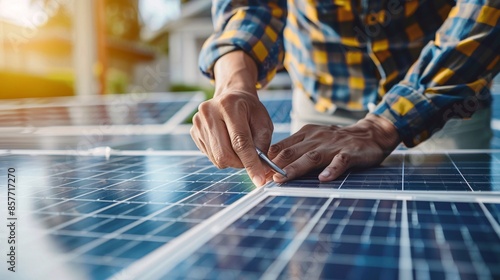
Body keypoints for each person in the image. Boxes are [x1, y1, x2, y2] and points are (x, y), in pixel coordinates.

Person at [190, 0, 499, 187]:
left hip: (443, 97)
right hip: (322, 99)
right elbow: (251, 5)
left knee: (449, 236)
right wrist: (234, 80)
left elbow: (486, 10)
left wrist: (379, 127)